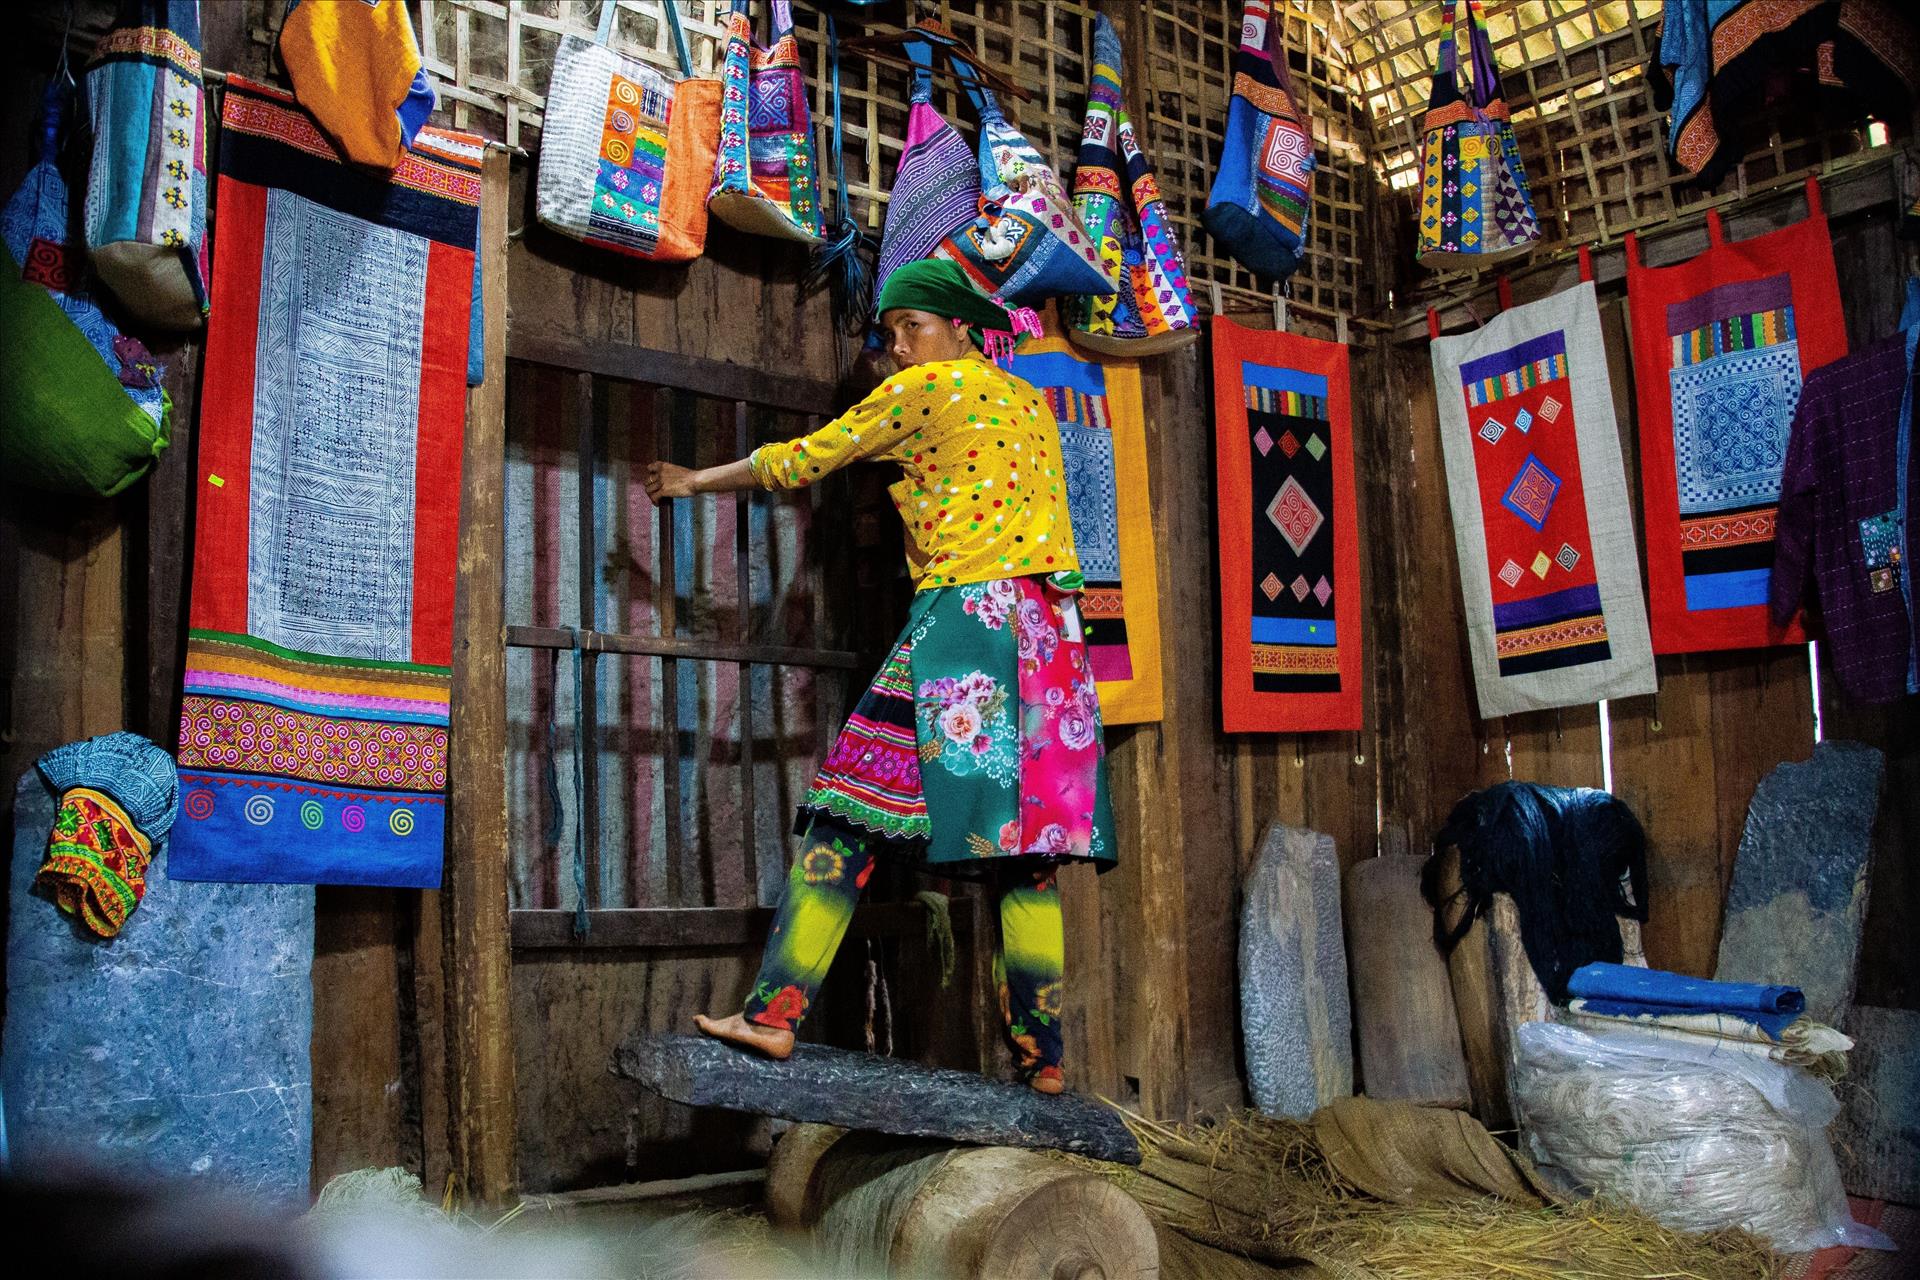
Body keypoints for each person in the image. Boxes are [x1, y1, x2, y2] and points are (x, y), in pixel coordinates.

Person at [641, 259, 1116, 1093]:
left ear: (960, 330)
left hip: (968, 626)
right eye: (890, 335)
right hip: (1051, 641)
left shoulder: (928, 389)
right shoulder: (1029, 402)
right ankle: (1044, 1060)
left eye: (913, 328)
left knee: (844, 815)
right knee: (1026, 856)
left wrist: (695, 480)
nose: (899, 347)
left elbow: (808, 458)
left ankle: (772, 1015)